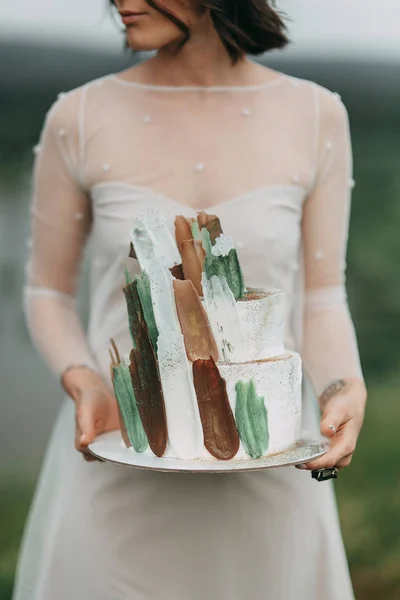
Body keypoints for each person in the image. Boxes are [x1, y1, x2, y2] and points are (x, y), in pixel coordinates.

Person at [13, 1, 367, 599]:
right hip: (122, 454)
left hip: (268, 467)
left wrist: (341, 388)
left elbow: (322, 299)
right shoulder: (78, 116)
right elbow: (46, 291)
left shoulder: (316, 115)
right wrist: (85, 380)